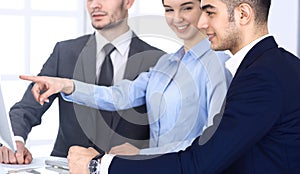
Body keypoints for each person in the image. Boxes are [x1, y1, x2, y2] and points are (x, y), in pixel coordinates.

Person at [63, 0, 300, 173]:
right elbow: (123, 94)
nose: (202, 21)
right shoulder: (266, 66)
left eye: (209, 11)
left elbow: (203, 159)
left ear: (243, 14)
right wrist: (68, 86)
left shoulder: (261, 76)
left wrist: (100, 166)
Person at [20, 0, 229, 162]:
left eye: (186, 8)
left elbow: (213, 139)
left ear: (205, 10)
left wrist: (142, 153)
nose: (177, 18)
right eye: (168, 9)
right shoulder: (166, 63)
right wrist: (68, 85)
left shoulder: (219, 64)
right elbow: (120, 95)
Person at [0, 0, 165, 164]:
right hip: (66, 166)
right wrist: (15, 142)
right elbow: (27, 108)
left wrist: (144, 154)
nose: (94, 5)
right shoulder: (65, 52)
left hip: (127, 168)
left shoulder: (158, 61)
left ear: (128, 2)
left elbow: (166, 135)